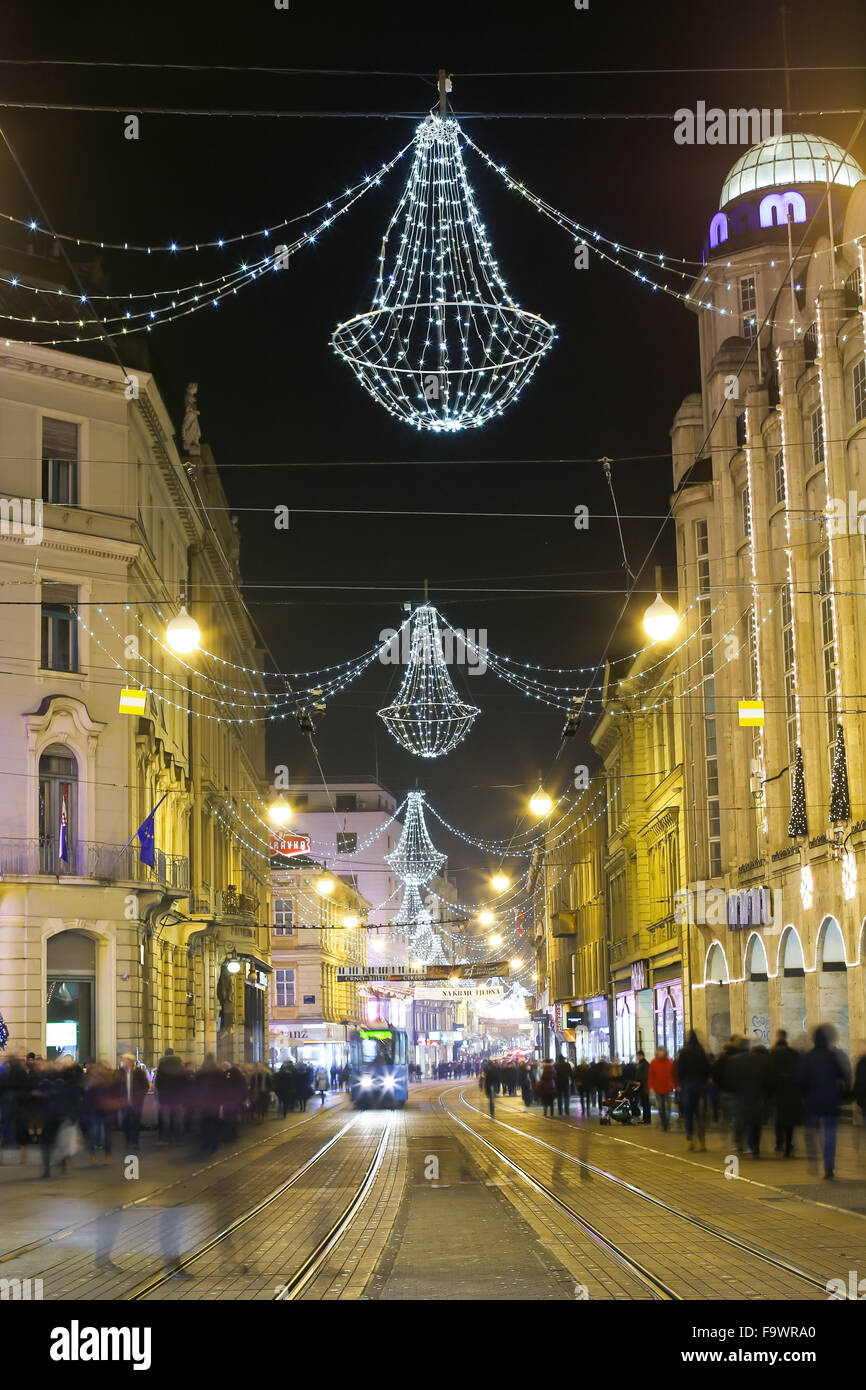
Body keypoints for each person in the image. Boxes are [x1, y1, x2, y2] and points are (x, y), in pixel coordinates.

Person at [800, 1025, 850, 1179]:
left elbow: (801, 1081)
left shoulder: (808, 1057)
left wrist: (804, 1094)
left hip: (813, 1102)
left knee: (811, 1133)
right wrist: (844, 1095)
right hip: (830, 1101)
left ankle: (814, 1161)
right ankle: (829, 1166)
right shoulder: (833, 1056)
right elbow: (843, 1076)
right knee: (830, 1134)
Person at [728, 1042, 772, 1157]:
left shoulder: (739, 1062)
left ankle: (745, 1143)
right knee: (756, 1122)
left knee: (744, 1119)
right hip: (757, 1095)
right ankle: (755, 1146)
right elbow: (767, 1080)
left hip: (743, 1095)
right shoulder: (761, 1063)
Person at [768, 1029, 802, 1158]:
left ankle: (779, 1143)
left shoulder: (772, 1053)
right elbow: (800, 1072)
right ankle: (788, 1145)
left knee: (778, 1117)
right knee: (790, 1120)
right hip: (792, 1090)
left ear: (778, 1037)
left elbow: (769, 1073)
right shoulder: (794, 1053)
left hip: (778, 1090)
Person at [676, 1031, 710, 1151]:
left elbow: (679, 1069)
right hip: (700, 1086)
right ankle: (702, 1141)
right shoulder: (701, 1052)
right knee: (700, 1115)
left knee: (688, 1114)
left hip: (688, 1086)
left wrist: (681, 1082)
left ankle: (690, 1140)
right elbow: (707, 1067)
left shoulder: (684, 1052)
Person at [116, 1054, 149, 1151]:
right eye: (123, 1059)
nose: (124, 1061)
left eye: (126, 1059)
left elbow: (145, 1086)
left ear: (131, 1061)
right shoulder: (120, 1072)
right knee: (124, 1122)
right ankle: (127, 1141)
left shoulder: (139, 1072)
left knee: (135, 1122)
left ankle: (135, 1142)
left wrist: (140, 1096)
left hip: (136, 1102)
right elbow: (116, 1085)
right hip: (124, 1102)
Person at [155, 1047, 186, 1143]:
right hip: (177, 1096)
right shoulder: (179, 1066)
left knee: (165, 1119)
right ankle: (178, 1138)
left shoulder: (162, 1065)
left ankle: (165, 1139)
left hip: (165, 1096)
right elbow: (184, 1082)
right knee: (177, 1118)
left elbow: (158, 1082)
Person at [647, 1047, 677, 1132]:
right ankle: (664, 1124)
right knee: (661, 1107)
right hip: (658, 1088)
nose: (660, 1054)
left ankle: (666, 1123)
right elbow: (650, 1076)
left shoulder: (669, 1062)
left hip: (668, 1087)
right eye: (659, 1052)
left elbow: (673, 1074)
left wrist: (674, 1084)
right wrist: (651, 1086)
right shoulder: (654, 1062)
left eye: (661, 1052)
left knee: (668, 1107)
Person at [635, 1050, 651, 1124]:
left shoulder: (645, 1064)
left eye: (638, 1055)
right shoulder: (640, 1063)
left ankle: (647, 1119)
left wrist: (640, 1082)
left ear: (641, 1055)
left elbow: (645, 1075)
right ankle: (645, 1119)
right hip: (641, 1086)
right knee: (644, 1103)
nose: (637, 1057)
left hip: (644, 1086)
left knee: (646, 1103)